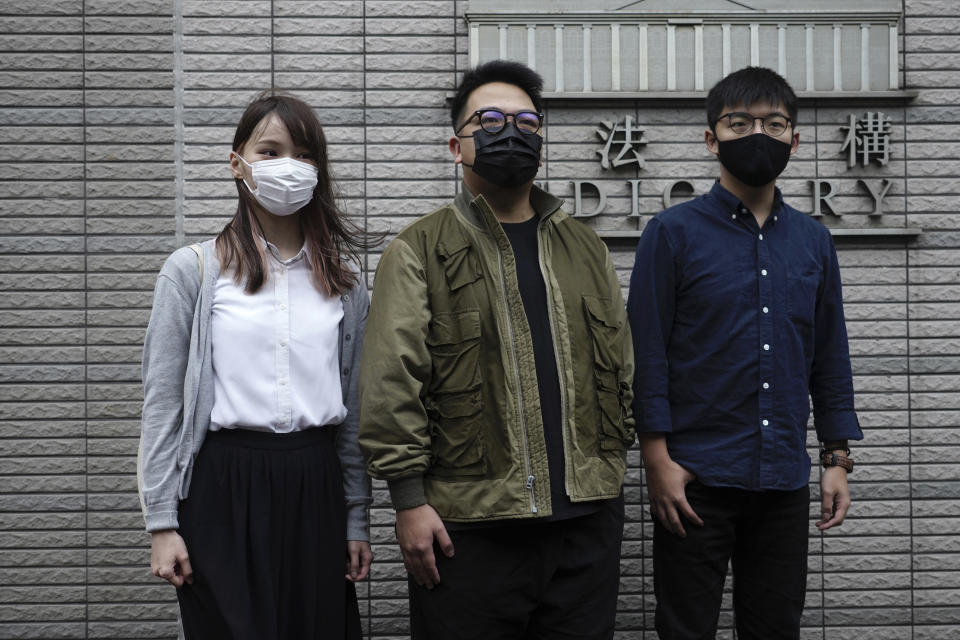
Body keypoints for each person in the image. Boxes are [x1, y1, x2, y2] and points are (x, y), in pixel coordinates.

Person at [357, 60, 635, 639]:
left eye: (526, 121)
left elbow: (621, 369)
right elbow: (390, 383)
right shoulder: (418, 250)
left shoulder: (586, 247)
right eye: (488, 119)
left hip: (586, 526)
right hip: (469, 529)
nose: (509, 130)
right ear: (456, 146)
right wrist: (407, 502)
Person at [627, 66, 863, 639]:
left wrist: (837, 460)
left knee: (776, 626)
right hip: (694, 478)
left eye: (774, 123)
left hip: (783, 479)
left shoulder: (814, 241)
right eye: (740, 122)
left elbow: (829, 354)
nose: (759, 133)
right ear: (712, 138)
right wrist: (657, 462)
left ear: (795, 140)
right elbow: (646, 352)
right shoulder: (672, 232)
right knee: (685, 627)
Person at [138, 91, 373, 639]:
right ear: (236, 162)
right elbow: (163, 404)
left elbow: (353, 413)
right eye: (268, 151)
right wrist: (162, 523)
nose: (286, 166)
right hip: (222, 485)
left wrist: (356, 517)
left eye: (303, 154)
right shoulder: (193, 271)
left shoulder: (347, 281)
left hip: (315, 486)